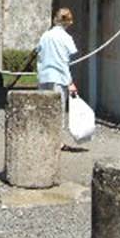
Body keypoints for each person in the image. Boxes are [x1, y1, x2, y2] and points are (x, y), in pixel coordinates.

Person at [36, 8, 78, 141]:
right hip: (59, 78)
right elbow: (65, 60)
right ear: (68, 22)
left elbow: (38, 51)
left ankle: (43, 139)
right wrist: (70, 82)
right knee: (58, 112)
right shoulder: (66, 38)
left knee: (43, 110)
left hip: (43, 76)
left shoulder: (45, 35)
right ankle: (56, 142)